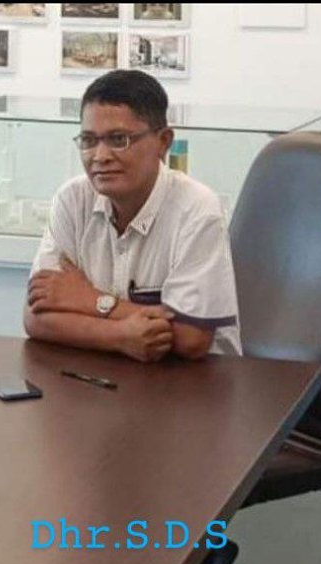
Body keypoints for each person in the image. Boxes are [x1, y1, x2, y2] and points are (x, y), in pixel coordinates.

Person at [24, 69, 241, 362]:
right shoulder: (73, 199)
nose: (100, 156)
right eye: (88, 140)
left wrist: (89, 300)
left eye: (119, 139)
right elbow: (35, 317)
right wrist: (120, 336)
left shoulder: (197, 210)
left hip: (193, 380)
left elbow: (191, 339)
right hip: (106, 373)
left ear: (163, 142)